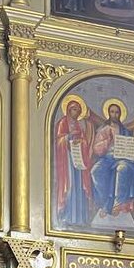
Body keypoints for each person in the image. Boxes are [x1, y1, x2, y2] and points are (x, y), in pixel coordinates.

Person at [91, 101, 134, 218]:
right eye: (112, 112)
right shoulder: (104, 129)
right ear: (109, 113)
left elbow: (131, 148)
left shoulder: (125, 131)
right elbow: (97, 150)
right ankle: (105, 202)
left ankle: (118, 203)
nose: (114, 114)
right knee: (95, 171)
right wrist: (107, 140)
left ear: (120, 114)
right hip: (107, 158)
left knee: (122, 168)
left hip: (122, 158)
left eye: (117, 112)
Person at [54, 97, 93, 226]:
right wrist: (69, 137)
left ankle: (80, 219)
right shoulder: (62, 123)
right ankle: (67, 217)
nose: (76, 112)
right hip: (67, 160)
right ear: (68, 110)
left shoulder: (78, 125)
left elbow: (84, 142)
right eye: (74, 109)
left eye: (78, 110)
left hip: (78, 160)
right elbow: (59, 140)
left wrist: (81, 142)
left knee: (80, 187)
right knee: (69, 186)